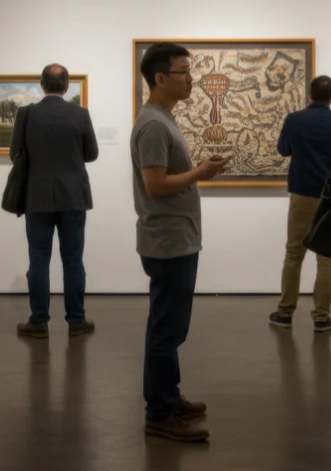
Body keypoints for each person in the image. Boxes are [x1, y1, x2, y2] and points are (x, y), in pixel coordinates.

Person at [130, 42, 229, 442]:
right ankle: (159, 412)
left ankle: (169, 396)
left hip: (177, 237)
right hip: (167, 240)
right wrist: (200, 173)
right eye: (183, 72)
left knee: (170, 325)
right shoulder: (154, 124)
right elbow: (154, 186)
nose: (191, 79)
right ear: (160, 78)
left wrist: (197, 170)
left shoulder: (162, 119)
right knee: (166, 329)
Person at [11, 63, 99, 339]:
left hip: (36, 197)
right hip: (73, 196)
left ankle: (38, 322)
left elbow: (15, 154)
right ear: (67, 86)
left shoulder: (26, 115)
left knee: (38, 259)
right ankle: (76, 320)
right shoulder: (80, 114)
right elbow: (92, 153)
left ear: (42, 85)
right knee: (73, 259)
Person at [268, 75, 331, 332]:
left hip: (302, 194)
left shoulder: (295, 120)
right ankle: (321, 317)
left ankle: (285, 313)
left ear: (310, 95)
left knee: (294, 254)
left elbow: (283, 150)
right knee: (326, 257)